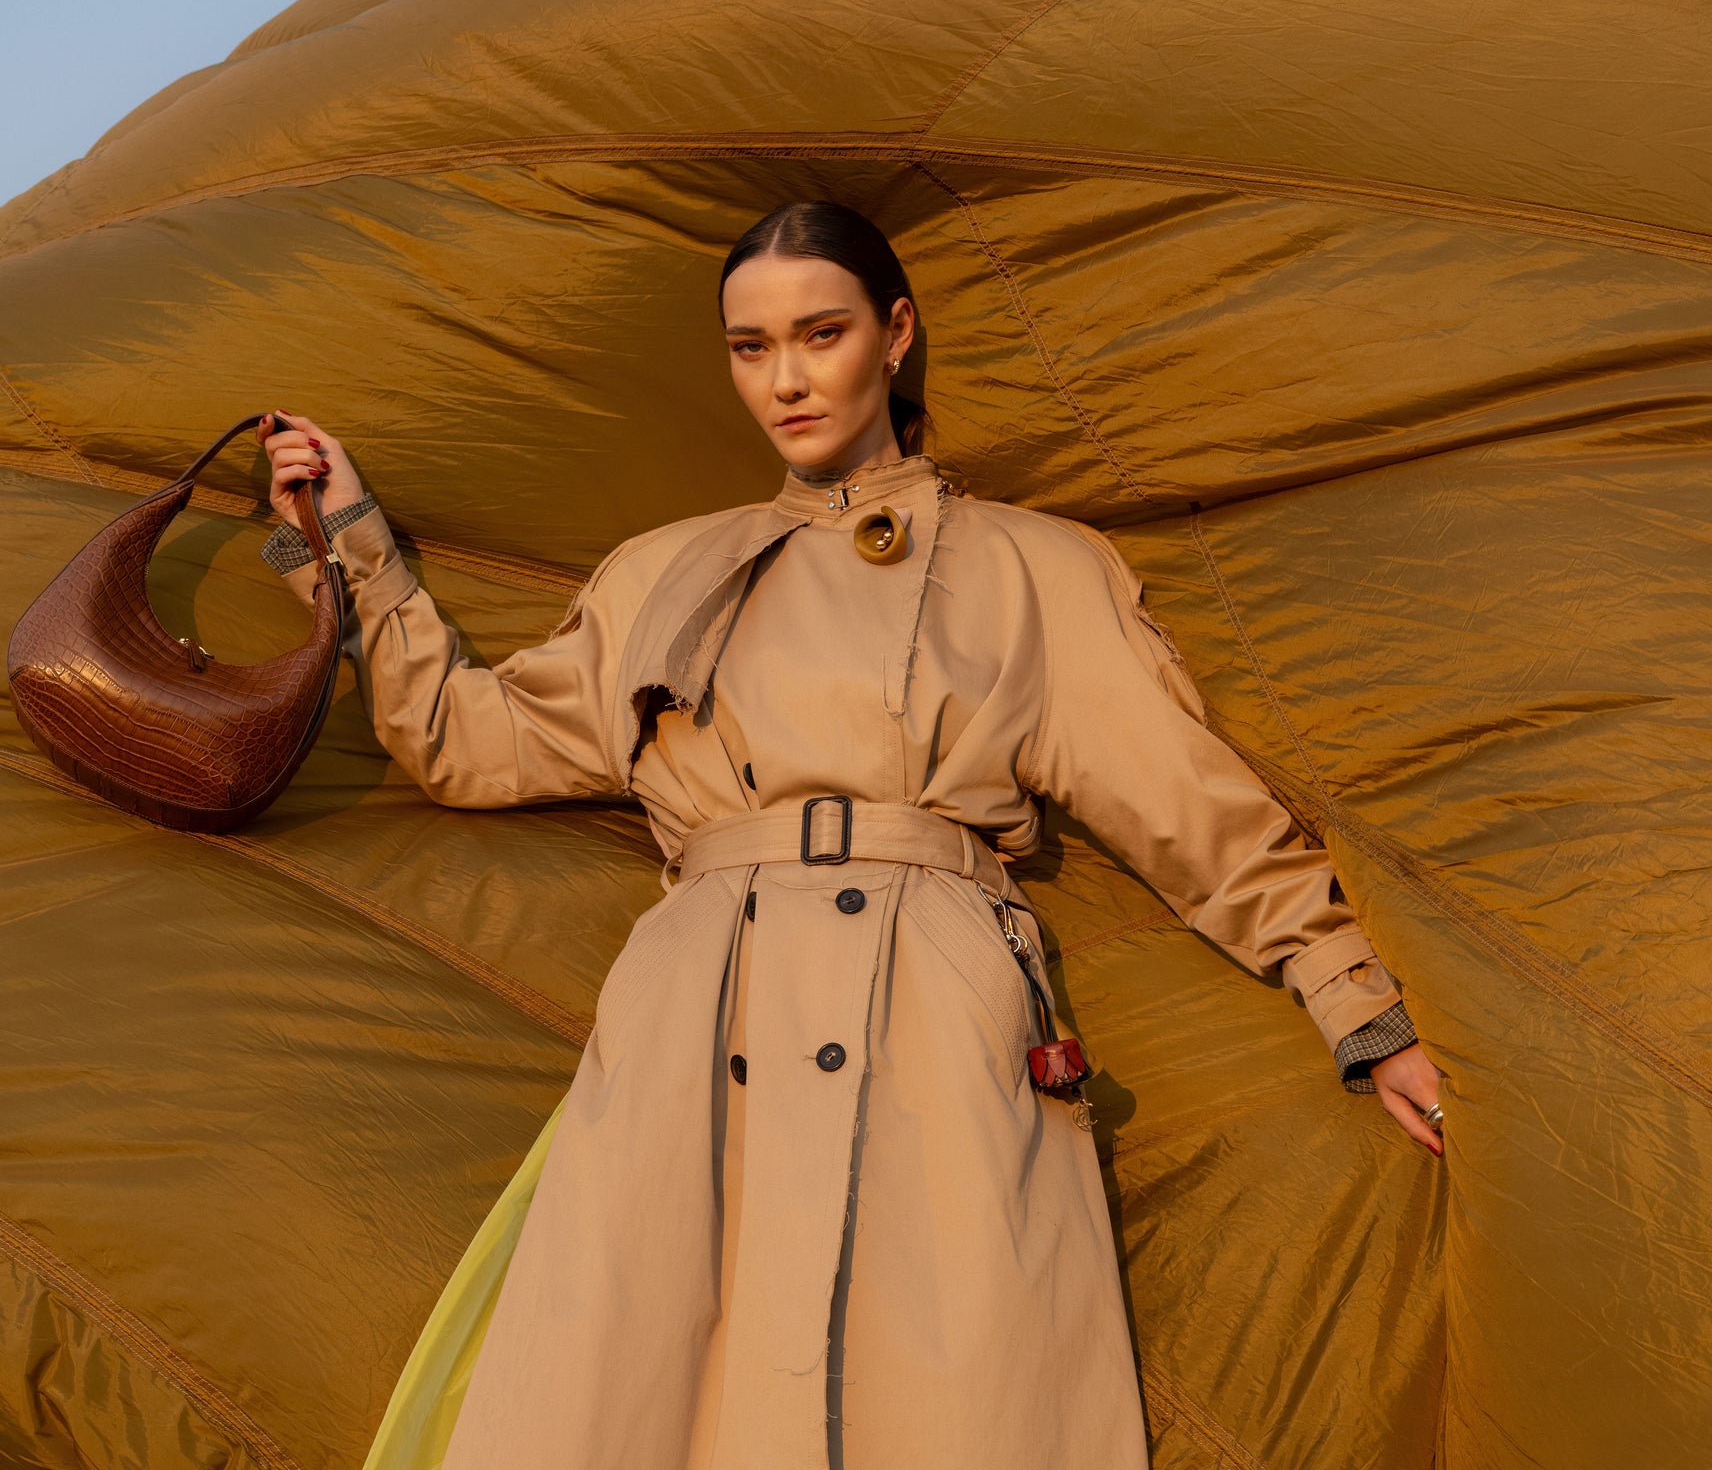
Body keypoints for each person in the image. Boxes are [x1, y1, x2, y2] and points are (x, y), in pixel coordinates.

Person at [252, 200, 1445, 1469]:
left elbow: (1181, 802)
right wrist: (352, 550)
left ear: (894, 334)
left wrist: (1350, 1000)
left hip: (937, 999)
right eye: (749, 346)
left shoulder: (1028, 565)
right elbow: (463, 741)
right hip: (700, 1013)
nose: (784, 379)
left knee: (955, 1393)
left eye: (818, 335)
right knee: (630, 1380)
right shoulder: (663, 572)